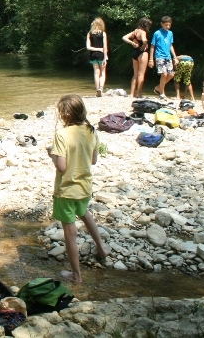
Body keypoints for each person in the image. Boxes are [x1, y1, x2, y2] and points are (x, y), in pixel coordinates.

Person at [46, 94, 109, 284]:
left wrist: (52, 155)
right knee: (84, 213)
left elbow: (62, 167)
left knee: (70, 231)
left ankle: (76, 275)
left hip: (66, 189)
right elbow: (93, 160)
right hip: (84, 187)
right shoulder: (91, 131)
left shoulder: (62, 135)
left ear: (65, 114)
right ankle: (102, 248)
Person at [148, 16, 177, 100]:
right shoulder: (157, 33)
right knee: (164, 74)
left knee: (171, 74)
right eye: (166, 25)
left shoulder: (170, 33)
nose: (167, 27)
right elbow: (152, 46)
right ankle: (162, 92)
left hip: (168, 56)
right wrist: (151, 59)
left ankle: (158, 88)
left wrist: (174, 57)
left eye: (169, 25)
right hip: (159, 56)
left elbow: (171, 45)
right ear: (161, 24)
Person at [122, 17, 151, 98]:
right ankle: (138, 94)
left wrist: (132, 43)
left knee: (135, 74)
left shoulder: (134, 31)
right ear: (145, 25)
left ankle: (131, 94)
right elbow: (144, 39)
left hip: (134, 53)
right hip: (142, 53)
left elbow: (124, 37)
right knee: (141, 74)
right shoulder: (143, 32)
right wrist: (145, 44)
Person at [86, 17, 108, 97]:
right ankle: (101, 88)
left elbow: (88, 47)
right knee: (102, 73)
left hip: (93, 55)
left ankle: (97, 89)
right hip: (101, 55)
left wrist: (96, 49)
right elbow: (105, 47)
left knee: (96, 72)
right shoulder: (103, 33)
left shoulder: (89, 33)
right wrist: (105, 56)